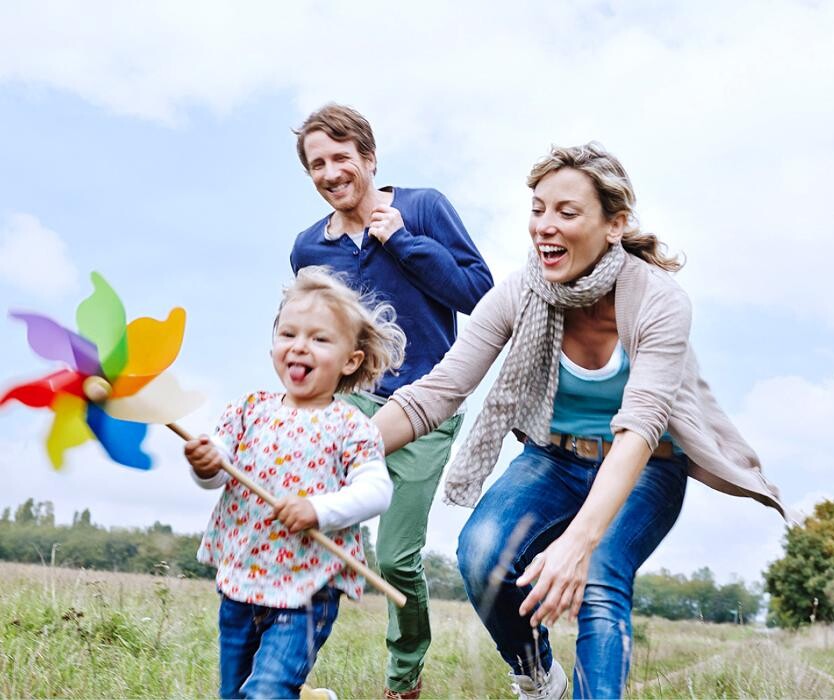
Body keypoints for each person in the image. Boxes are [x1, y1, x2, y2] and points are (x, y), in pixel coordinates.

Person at [373, 142, 792, 699]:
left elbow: (641, 426)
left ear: (614, 224)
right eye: (538, 209)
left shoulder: (659, 302)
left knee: (600, 577)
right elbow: (439, 391)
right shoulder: (521, 294)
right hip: (553, 457)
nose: (545, 226)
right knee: (482, 553)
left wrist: (579, 542)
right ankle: (538, 677)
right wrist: (333, 449)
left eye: (566, 212)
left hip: (645, 465)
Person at [289, 103, 493, 699]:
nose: (330, 173)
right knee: (305, 525)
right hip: (352, 403)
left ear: (369, 159)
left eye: (340, 158)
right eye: (316, 165)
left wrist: (403, 240)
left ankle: (404, 682)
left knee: (396, 561)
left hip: (428, 406)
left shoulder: (423, 207)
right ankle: (284, 673)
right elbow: (309, 331)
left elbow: (476, 291)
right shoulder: (308, 250)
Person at [186, 266, 405, 699]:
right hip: (241, 582)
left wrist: (318, 509)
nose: (299, 346)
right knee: (234, 693)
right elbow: (216, 473)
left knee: (264, 694)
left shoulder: (351, 426)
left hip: (308, 590)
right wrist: (206, 464)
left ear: (351, 360)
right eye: (288, 334)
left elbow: (377, 490)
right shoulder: (248, 410)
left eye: (319, 339)